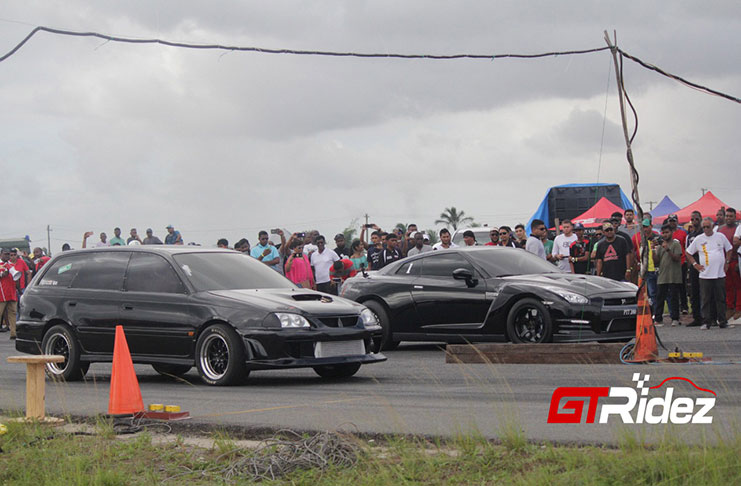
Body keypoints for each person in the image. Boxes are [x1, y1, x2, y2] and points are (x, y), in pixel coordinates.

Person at [685, 217, 733, 330]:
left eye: (708, 227)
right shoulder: (698, 239)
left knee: (720, 298)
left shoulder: (720, 237)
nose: (706, 229)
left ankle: (722, 321)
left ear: (712, 226)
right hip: (705, 274)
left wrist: (727, 262)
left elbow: (729, 249)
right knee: (706, 299)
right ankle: (706, 321)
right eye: (704, 227)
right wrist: (695, 264)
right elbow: (688, 252)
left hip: (720, 274)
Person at [652, 224, 683, 327]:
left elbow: (677, 258)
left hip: (674, 276)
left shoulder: (675, 244)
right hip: (663, 276)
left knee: (674, 297)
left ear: (672, 233)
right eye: (663, 233)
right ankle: (658, 318)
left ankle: (675, 318)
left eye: (667, 232)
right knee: (660, 298)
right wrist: (653, 250)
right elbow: (656, 261)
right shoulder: (661, 246)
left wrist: (668, 249)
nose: (665, 235)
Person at [716, 207, 741, 322]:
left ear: (735, 217)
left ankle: (738, 308)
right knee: (727, 285)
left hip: (736, 260)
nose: (728, 218)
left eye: (731, 216)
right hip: (724, 260)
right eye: (727, 216)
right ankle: (729, 307)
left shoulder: (738, 229)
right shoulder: (720, 229)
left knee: (738, 285)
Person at [666, 214, 689, 314]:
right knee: (672, 287)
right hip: (670, 264)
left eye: (674, 221)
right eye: (670, 221)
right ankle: (675, 308)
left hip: (682, 262)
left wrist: (687, 261)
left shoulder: (683, 233)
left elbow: (686, 247)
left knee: (682, 285)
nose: (672, 223)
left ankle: (684, 306)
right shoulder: (666, 234)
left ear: (677, 222)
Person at [685, 211, 704, 326]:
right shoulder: (690, 235)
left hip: (704, 265)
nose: (694, 222)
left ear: (700, 219)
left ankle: (707, 316)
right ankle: (696, 317)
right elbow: (688, 251)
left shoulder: (704, 233)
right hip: (693, 266)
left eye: (696, 219)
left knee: (705, 292)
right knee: (694, 292)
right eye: (692, 220)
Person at [637, 219, 659, 314]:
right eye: (644, 227)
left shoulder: (657, 238)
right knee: (651, 294)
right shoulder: (643, 240)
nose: (645, 229)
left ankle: (659, 313)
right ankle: (654, 313)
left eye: (647, 226)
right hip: (647, 270)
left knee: (661, 293)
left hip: (657, 269)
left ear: (651, 226)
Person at [0, 249, 18, 338]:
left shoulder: (11, 265)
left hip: (12, 293)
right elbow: (2, 275)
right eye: (6, 254)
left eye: (9, 254)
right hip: (1, 294)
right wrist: (3, 273)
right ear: (1, 255)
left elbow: (16, 277)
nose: (7, 256)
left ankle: (13, 333)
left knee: (13, 313)